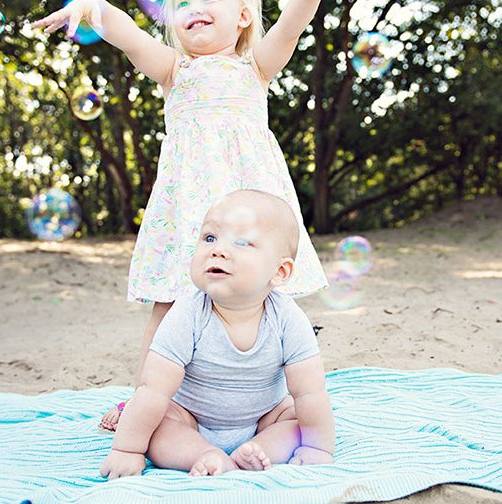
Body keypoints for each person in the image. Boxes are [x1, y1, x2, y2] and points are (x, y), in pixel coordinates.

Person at [34, 0, 339, 431]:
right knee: (170, 299)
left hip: (250, 210)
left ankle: (273, 400)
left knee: (265, 297)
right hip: (189, 212)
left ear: (243, 16)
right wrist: (92, 6)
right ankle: (144, 399)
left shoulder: (255, 66)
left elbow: (289, 28)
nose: (193, 10)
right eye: (181, 4)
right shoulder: (174, 70)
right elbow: (129, 35)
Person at [99, 190, 335, 479]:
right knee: (158, 424)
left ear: (280, 272)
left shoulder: (288, 319)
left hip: (264, 417)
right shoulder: (187, 314)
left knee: (297, 420)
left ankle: (254, 451)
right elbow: (153, 390)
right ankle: (205, 455)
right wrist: (127, 450)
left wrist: (318, 448)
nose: (218, 250)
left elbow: (310, 392)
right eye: (210, 238)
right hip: (191, 419)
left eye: (242, 242)